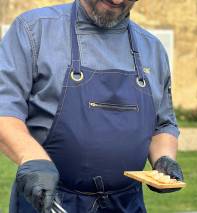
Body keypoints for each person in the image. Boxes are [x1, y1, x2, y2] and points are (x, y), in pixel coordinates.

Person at [0, 0, 184, 212]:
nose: (117, 0)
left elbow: (162, 124)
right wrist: (32, 158)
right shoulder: (34, 30)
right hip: (51, 201)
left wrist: (164, 159)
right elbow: (5, 110)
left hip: (126, 205)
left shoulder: (152, 49)